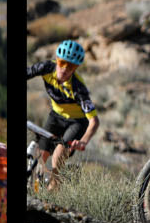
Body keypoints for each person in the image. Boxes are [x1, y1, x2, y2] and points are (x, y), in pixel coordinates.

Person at [25, 39, 100, 183]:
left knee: (58, 156)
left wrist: (83, 141)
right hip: (56, 116)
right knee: (40, 155)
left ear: (76, 68)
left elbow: (94, 121)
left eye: (70, 66)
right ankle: (35, 190)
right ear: (57, 60)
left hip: (77, 123)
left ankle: (52, 195)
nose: (65, 69)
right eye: (62, 63)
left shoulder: (78, 88)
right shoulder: (46, 67)